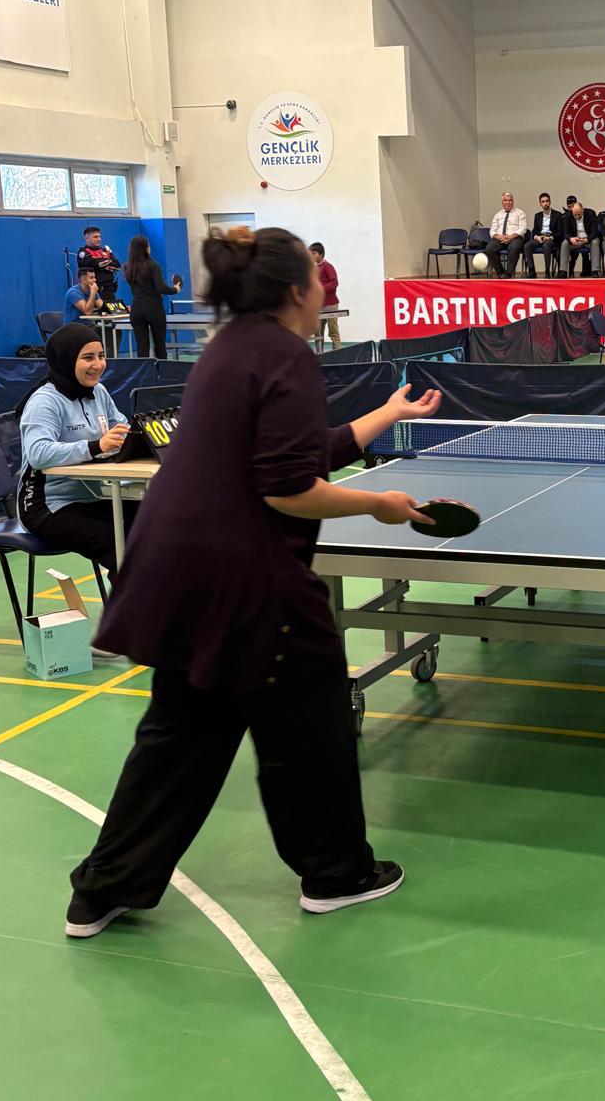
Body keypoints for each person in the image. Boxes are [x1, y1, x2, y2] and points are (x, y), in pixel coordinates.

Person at [62, 226, 445, 941]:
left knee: (180, 740)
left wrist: (388, 413)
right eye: (317, 281)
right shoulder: (285, 355)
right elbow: (288, 488)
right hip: (248, 580)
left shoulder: (229, 349)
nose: (323, 290)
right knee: (310, 723)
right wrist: (380, 505)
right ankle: (337, 872)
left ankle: (103, 890)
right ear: (299, 290)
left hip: (180, 574)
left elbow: (293, 451)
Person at [17, 322, 136, 579]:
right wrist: (96, 446)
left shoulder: (99, 391)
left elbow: (121, 428)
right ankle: (134, 602)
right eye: (88, 358)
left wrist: (132, 437)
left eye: (101, 356)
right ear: (66, 360)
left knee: (151, 521)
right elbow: (38, 453)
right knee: (118, 543)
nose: (98, 364)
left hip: (94, 496)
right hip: (47, 505)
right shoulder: (44, 401)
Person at [124, 236, 183, 360]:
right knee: (160, 347)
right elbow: (162, 288)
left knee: (142, 348)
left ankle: (144, 372)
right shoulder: (153, 266)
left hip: (136, 310)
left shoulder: (127, 267)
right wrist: (176, 289)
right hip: (154, 310)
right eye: (149, 245)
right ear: (146, 248)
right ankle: (163, 371)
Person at [308, 242, 342, 350]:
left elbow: (334, 283)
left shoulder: (328, 266)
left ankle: (337, 352)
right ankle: (320, 355)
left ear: (321, 254)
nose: (312, 256)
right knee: (318, 332)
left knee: (333, 331)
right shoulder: (313, 269)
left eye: (314, 253)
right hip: (319, 305)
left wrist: (320, 289)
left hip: (331, 305)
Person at [485, 191, 528, 277]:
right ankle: (500, 272)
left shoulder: (520, 213)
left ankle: (508, 273)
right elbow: (492, 231)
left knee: (514, 247)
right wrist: (498, 236)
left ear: (513, 201)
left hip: (515, 238)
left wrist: (510, 237)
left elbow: (523, 228)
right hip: (500, 239)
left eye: (510, 200)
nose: (508, 202)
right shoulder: (497, 215)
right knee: (489, 249)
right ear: (502, 202)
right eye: (505, 200)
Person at [76, 226, 121, 305]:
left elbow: (117, 265)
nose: (99, 239)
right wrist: (106, 263)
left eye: (100, 236)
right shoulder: (83, 253)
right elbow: (96, 264)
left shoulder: (105, 251)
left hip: (110, 291)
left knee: (114, 312)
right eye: (95, 237)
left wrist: (101, 265)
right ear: (87, 238)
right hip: (94, 292)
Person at [560, 199, 602, 276]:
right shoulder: (568, 216)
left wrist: (587, 240)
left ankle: (595, 271)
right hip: (575, 241)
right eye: (575, 215)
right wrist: (571, 239)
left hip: (588, 240)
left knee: (595, 242)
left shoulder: (591, 214)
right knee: (565, 243)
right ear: (572, 211)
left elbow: (594, 232)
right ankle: (563, 271)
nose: (577, 217)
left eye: (579, 214)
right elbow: (565, 233)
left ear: (582, 210)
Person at [525, 192, 560, 278]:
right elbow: (535, 230)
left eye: (547, 201)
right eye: (543, 201)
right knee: (527, 246)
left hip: (551, 238)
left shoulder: (557, 214)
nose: (545, 203)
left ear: (550, 202)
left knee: (546, 245)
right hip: (540, 237)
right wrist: (537, 237)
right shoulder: (537, 215)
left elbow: (560, 231)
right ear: (540, 203)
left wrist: (550, 237)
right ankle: (532, 271)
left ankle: (547, 270)